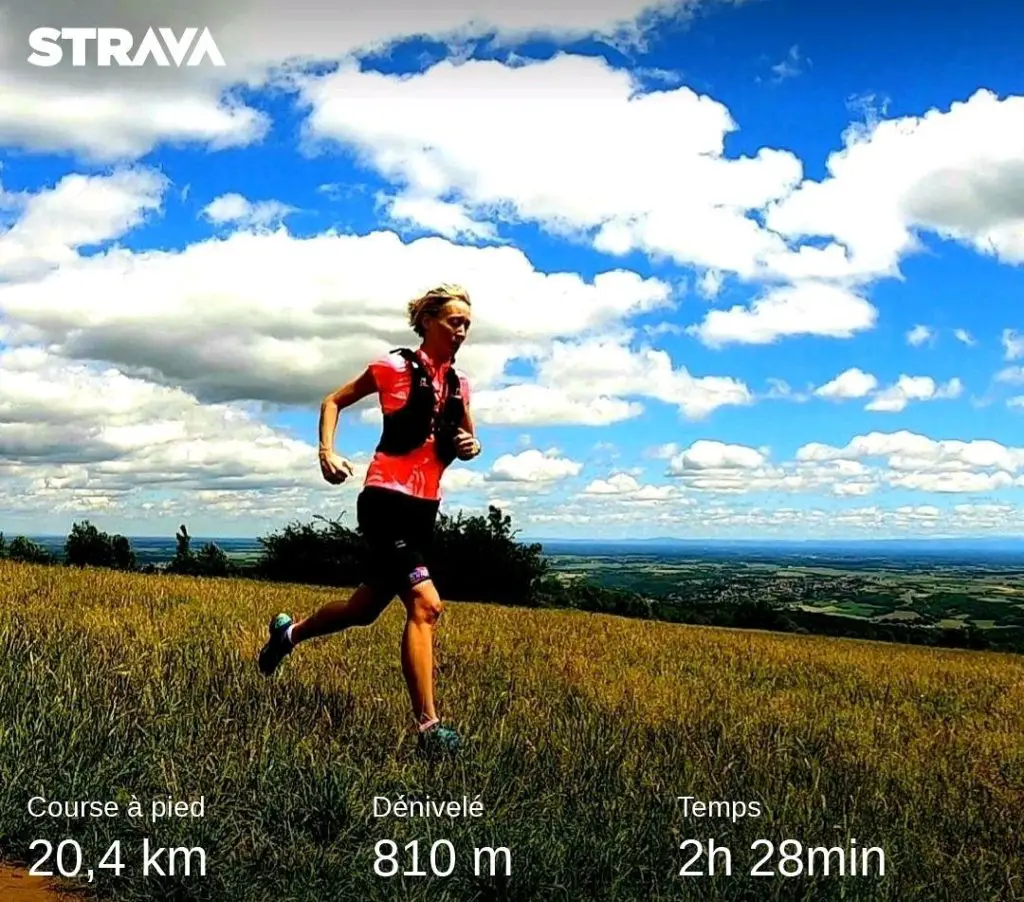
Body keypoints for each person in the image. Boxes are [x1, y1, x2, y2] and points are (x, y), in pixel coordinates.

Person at [257, 284, 480, 754]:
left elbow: (467, 442)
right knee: (427, 604)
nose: (461, 331)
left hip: (425, 508)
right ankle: (428, 730)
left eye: (466, 325)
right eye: (452, 322)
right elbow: (333, 400)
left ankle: (288, 633)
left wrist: (468, 447)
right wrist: (326, 453)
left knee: (362, 612)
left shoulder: (461, 385)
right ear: (426, 322)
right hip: (384, 502)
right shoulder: (393, 366)